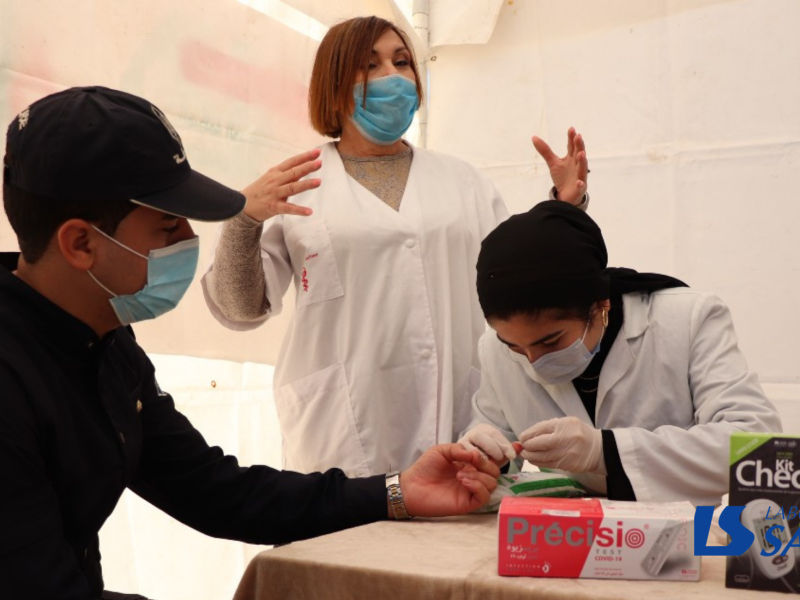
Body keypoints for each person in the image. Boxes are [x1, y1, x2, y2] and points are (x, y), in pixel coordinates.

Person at [0, 86, 501, 600]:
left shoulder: (105, 346)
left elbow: (217, 491)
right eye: (169, 224)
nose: (188, 239)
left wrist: (397, 492)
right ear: (81, 243)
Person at [202, 15, 590, 478]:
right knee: (344, 544)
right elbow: (241, 308)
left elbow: (525, 280)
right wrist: (245, 219)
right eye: (370, 65)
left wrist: (566, 208)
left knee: (458, 545)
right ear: (333, 84)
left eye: (401, 61)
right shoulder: (298, 186)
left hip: (465, 416)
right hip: (345, 428)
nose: (392, 76)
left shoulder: (462, 181)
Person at [458, 200, 782, 506]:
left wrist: (605, 451)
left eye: (551, 342)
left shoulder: (688, 319)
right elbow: (493, 431)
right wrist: (483, 456)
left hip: (675, 538)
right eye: (514, 346)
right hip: (560, 535)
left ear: (601, 305)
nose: (534, 362)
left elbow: (756, 444)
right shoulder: (494, 347)